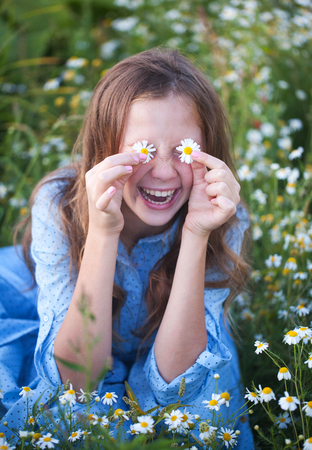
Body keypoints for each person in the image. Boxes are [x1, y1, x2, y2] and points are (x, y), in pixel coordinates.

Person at [0, 48, 253, 446]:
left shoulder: (223, 215)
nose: (166, 171)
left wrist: (196, 234)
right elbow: (77, 381)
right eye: (144, 151)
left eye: (185, 149)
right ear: (105, 149)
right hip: (72, 329)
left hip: (173, 345)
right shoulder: (59, 203)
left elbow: (175, 387)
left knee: (199, 418)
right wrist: (102, 233)